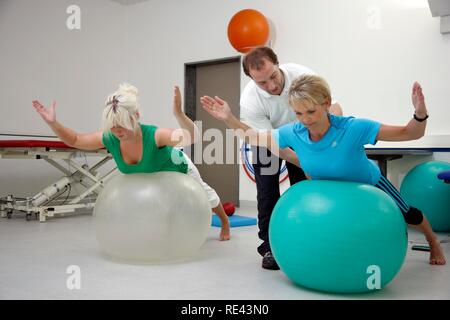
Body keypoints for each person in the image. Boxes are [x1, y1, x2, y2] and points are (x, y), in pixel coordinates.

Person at [200, 74, 446, 265]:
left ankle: (433, 241)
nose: (305, 119)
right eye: (298, 113)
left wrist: (420, 112)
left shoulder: (353, 128)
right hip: (327, 192)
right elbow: (253, 136)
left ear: (326, 104)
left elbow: (410, 133)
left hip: (368, 186)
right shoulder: (293, 132)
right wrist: (228, 118)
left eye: (311, 111)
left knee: (409, 215)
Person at [32, 84, 231, 241]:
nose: (118, 131)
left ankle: (224, 223)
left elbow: (191, 138)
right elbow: (75, 140)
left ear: (136, 116)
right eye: (113, 126)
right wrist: (52, 122)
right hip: (152, 175)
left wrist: (178, 114)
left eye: (122, 126)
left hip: (178, 166)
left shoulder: (154, 136)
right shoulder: (110, 138)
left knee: (208, 196)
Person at [238, 46, 343, 270]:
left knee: (303, 188)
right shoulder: (250, 99)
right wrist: (302, 160)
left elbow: (333, 108)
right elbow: (272, 143)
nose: (272, 86)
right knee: (267, 191)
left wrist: (321, 149)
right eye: (262, 83)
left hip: (300, 135)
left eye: (273, 76)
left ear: (278, 64)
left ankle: (307, 238)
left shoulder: (302, 75)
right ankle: (269, 247)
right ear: (252, 80)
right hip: (266, 140)